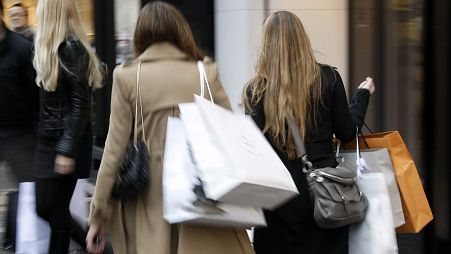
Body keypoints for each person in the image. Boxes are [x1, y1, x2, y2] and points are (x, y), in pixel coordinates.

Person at [86, 2, 254, 254]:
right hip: (201, 188)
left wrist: (98, 215)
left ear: (140, 35)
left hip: (150, 195)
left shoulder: (129, 76)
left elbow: (113, 153)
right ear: (180, 31)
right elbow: (228, 132)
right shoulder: (205, 72)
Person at [242, 11, 375, 254]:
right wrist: (362, 96)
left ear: (266, 44)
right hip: (325, 196)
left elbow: (253, 149)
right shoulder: (328, 78)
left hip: (278, 200)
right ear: (302, 39)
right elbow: (348, 132)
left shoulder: (256, 90)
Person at [32, 0, 103, 253]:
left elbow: (80, 106)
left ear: (51, 11)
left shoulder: (73, 48)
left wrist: (66, 150)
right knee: (43, 208)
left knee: (57, 212)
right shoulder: (47, 47)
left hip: (65, 141)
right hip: (46, 140)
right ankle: (97, 246)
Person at [0, 1, 36, 250]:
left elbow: (36, 96)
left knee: (30, 195)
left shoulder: (22, 49)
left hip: (20, 134)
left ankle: (18, 242)